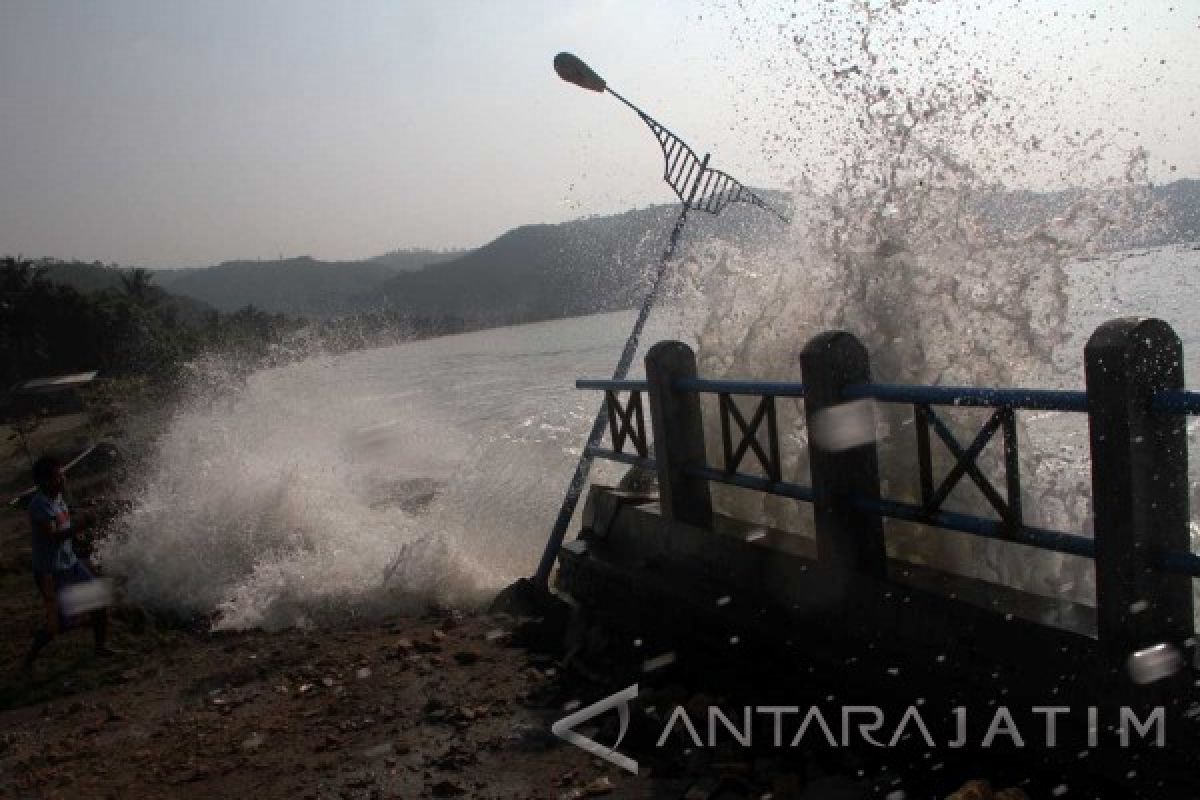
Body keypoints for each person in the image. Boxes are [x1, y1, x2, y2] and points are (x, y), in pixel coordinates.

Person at [22, 454, 113, 673]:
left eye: (62, 475)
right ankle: (30, 659)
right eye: (58, 477)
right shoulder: (39, 505)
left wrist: (79, 536)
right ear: (44, 482)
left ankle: (100, 649)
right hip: (51, 574)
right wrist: (82, 526)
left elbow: (65, 526)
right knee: (58, 626)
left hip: (70, 564)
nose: (63, 480)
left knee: (99, 604)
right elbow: (53, 536)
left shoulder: (58, 498)